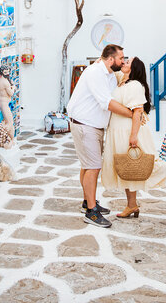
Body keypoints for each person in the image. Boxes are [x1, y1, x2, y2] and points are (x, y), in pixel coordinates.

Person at [101, 57, 166, 218]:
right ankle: (132, 205)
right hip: (118, 130)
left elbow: (138, 112)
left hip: (129, 131)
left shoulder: (135, 85)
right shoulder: (121, 82)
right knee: (127, 169)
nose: (123, 63)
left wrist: (133, 135)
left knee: (147, 165)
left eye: (127, 62)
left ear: (134, 69)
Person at [67, 44, 133, 228]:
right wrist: (131, 114)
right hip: (84, 124)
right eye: (121, 58)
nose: (123, 61)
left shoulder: (109, 73)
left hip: (93, 125)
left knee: (87, 166)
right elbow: (107, 102)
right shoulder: (95, 73)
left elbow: (120, 85)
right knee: (93, 167)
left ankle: (87, 202)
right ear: (111, 59)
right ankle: (91, 212)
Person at [0, 65, 15, 149]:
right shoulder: (5, 82)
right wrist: (13, 88)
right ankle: (5, 140)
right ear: (1, 72)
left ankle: (9, 139)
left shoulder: (1, 80)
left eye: (8, 71)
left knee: (8, 121)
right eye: (5, 72)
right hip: (4, 103)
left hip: (4, 103)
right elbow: (11, 93)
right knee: (9, 122)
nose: (7, 73)